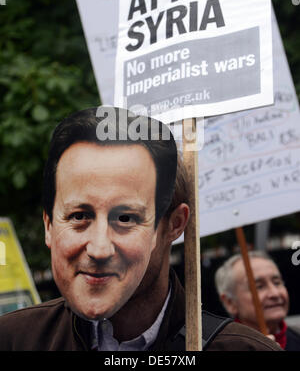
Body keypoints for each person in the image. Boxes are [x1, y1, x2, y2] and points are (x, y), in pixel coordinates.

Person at [0, 107, 281, 351]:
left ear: (174, 225)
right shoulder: (12, 340)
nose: (99, 249)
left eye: (125, 219)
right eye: (79, 216)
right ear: (49, 226)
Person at [215, 250, 300, 350]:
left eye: (277, 282)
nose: (275, 293)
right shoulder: (220, 347)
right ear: (230, 302)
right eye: (259, 287)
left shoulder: (297, 336)